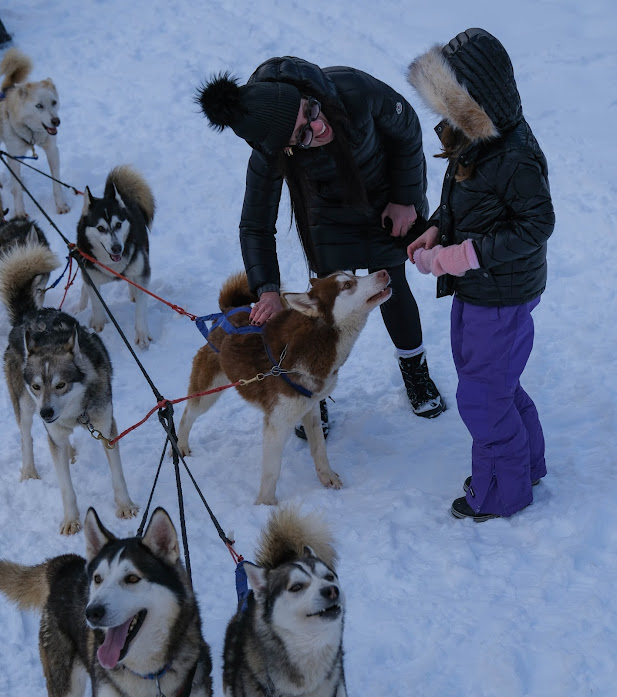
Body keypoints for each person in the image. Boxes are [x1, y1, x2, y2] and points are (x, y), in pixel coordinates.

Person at [196, 57, 446, 438]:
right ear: (285, 149)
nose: (317, 126)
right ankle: (312, 385)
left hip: (387, 199)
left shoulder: (352, 91)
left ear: (306, 95)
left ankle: (416, 371)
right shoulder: (269, 153)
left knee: (391, 282)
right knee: (326, 304)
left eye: (309, 111)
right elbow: (255, 225)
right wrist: (267, 290)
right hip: (327, 218)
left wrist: (406, 198)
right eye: (301, 136)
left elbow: (406, 128)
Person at [406, 29, 555, 520]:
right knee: (495, 385)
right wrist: (435, 229)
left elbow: (537, 223)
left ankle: (500, 492)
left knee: (483, 397)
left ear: (480, 99)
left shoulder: (513, 154)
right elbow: (468, 204)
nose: (446, 115)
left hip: (499, 293)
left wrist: (462, 256)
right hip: (483, 289)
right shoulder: (477, 136)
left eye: (453, 104)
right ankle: (524, 466)